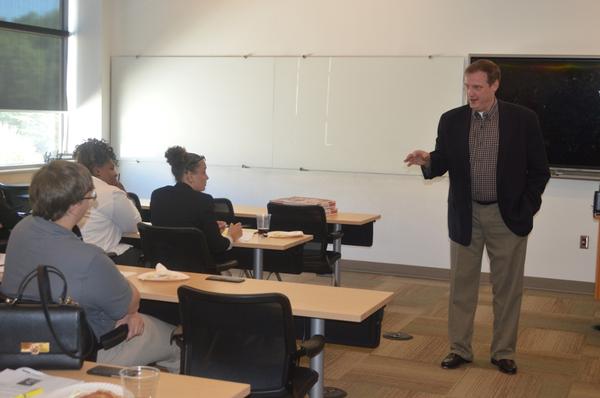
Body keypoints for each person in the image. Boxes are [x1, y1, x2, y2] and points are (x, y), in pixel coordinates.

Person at [404, 59, 550, 375]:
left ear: (495, 85)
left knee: (507, 290)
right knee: (461, 287)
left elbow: (539, 171)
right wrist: (427, 160)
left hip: (507, 216)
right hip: (465, 214)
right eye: (467, 87)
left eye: (477, 87)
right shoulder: (452, 120)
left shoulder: (523, 120)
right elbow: (443, 159)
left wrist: (526, 207)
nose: (470, 93)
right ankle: (459, 349)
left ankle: (503, 352)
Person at [0, 160, 180, 371]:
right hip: (85, 352)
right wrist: (129, 312)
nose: (90, 203)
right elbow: (130, 303)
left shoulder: (21, 230)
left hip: (25, 344)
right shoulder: (90, 258)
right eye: (90, 197)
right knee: (173, 339)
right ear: (76, 205)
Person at [150, 146, 242, 259]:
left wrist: (209, 228)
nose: (207, 177)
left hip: (163, 266)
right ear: (189, 176)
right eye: (203, 172)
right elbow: (217, 246)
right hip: (196, 269)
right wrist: (231, 236)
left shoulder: (158, 195)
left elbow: (175, 228)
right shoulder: (204, 201)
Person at [73, 138, 142, 265]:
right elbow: (136, 226)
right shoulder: (111, 192)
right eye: (111, 168)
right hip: (102, 260)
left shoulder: (69, 188)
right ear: (97, 170)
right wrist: (123, 194)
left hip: (73, 259)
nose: (115, 173)